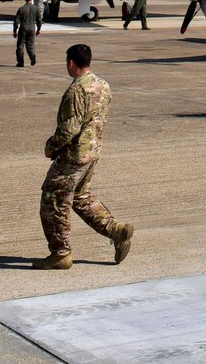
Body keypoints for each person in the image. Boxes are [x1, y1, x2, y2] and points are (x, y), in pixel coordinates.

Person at [35, 44, 134, 270]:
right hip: (92, 151)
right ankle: (116, 230)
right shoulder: (102, 85)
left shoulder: (77, 90)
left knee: (54, 201)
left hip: (73, 156)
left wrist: (51, 146)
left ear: (71, 62)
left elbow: (69, 128)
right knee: (80, 197)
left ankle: (60, 253)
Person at [13, 0, 42, 67]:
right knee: (30, 44)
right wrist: (38, 29)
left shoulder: (21, 9)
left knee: (20, 45)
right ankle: (32, 56)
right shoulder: (36, 8)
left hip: (23, 27)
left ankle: (20, 62)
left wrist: (15, 30)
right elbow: (39, 20)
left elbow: (16, 21)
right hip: (32, 27)